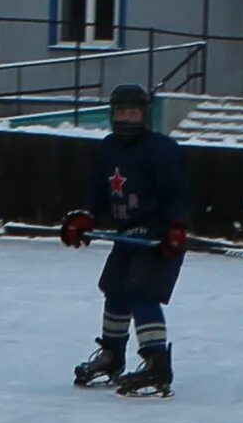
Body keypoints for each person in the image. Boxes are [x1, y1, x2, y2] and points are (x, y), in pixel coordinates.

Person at [59, 82, 191, 398]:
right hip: (126, 235)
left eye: (133, 111)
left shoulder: (161, 149)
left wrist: (176, 226)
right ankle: (112, 355)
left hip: (157, 236)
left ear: (144, 114)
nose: (126, 117)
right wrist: (85, 216)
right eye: (121, 111)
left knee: (141, 291)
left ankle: (156, 361)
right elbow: (98, 189)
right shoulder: (109, 148)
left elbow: (178, 191)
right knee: (115, 289)